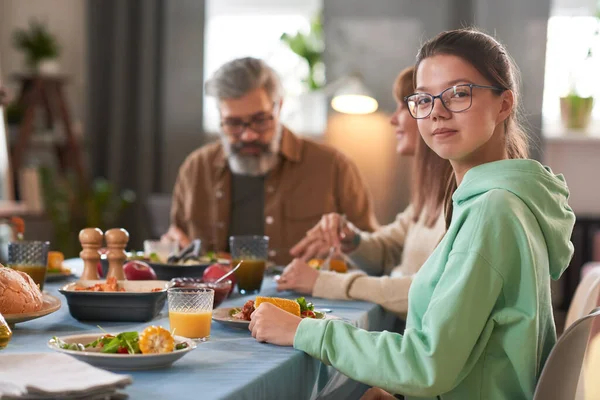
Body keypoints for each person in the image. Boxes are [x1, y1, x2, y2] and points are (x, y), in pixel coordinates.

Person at [248, 28, 576, 399]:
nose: (437, 111)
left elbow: (425, 366)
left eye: (458, 94)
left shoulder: (494, 210)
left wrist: (301, 331)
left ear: (504, 104)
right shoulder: (500, 200)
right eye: (423, 99)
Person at [162, 57, 378, 265]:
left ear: (279, 106)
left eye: (260, 120)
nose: (248, 135)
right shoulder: (197, 168)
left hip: (308, 300)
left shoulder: (333, 167)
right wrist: (172, 245)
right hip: (215, 298)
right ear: (219, 116)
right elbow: (178, 239)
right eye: (234, 123)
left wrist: (346, 249)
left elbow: (375, 253)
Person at [275, 67, 452, 318]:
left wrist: (322, 282)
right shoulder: (431, 194)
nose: (393, 119)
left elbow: (426, 290)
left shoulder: (461, 200)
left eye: (408, 105)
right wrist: (351, 238)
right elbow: (388, 249)